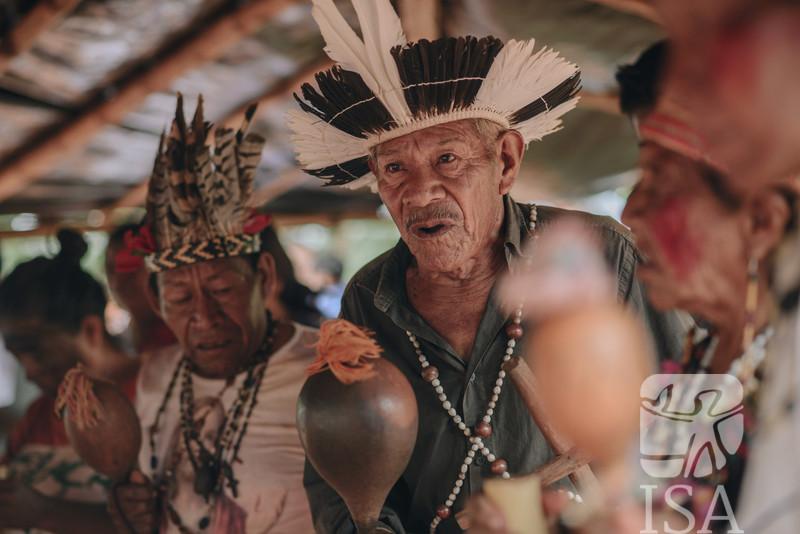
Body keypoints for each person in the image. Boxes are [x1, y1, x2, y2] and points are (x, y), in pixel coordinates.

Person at [288, 1, 686, 532]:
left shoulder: (599, 254)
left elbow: (691, 423)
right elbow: (339, 462)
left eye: (447, 159)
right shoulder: (370, 295)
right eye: (394, 168)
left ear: (505, 162)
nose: (420, 190)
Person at [108, 95, 314, 533]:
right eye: (180, 297)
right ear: (155, 297)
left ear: (265, 278)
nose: (203, 316)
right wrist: (134, 513)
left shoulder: (328, 371)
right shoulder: (155, 375)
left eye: (222, 289)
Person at [0, 229, 136, 533]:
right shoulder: (38, 415)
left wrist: (46, 513)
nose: (29, 371)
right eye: (17, 356)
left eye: (36, 352)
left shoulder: (158, 395)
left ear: (90, 330)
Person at [106, 223, 176, 355]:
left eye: (130, 266)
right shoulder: (126, 339)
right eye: (111, 268)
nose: (118, 280)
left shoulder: (176, 336)